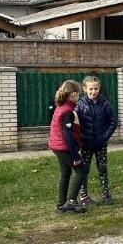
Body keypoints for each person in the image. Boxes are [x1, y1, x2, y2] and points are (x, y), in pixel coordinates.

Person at [75, 76, 118, 207]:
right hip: (86, 145)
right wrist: (81, 138)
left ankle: (106, 195)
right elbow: (76, 124)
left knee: (103, 169)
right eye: (91, 89)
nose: (94, 91)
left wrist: (105, 137)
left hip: (101, 144)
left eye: (96, 88)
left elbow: (113, 121)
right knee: (84, 170)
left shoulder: (105, 103)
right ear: (85, 89)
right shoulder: (80, 104)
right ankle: (83, 196)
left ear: (99, 88)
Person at [48, 80, 88, 214]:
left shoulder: (60, 106)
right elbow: (68, 135)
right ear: (73, 94)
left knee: (66, 173)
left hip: (57, 146)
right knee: (82, 170)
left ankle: (61, 204)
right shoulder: (68, 111)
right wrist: (75, 156)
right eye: (78, 94)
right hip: (64, 147)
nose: (79, 97)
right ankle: (71, 201)